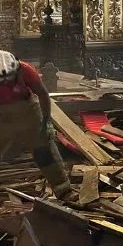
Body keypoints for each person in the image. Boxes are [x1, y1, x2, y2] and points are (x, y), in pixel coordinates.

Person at [0, 51, 74, 200]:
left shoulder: (25, 70)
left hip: (29, 111)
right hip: (3, 115)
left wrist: (46, 121)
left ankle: (63, 190)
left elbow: (43, 94)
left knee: (43, 150)